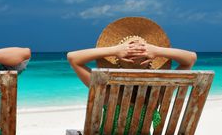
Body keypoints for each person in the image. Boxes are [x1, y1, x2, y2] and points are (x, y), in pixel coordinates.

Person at [66, 17, 197, 86]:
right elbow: (191, 58)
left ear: (119, 62)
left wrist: (115, 50)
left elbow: (72, 58)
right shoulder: (160, 88)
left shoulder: (105, 88)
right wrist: (157, 50)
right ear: (150, 62)